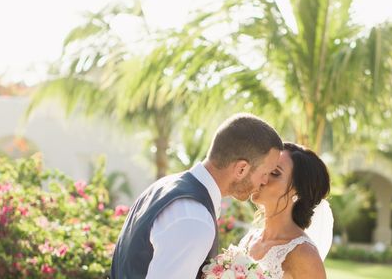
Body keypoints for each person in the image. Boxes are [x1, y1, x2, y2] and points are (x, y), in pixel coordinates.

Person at [110, 113, 284, 279]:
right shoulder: (194, 218)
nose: (265, 181)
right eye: (265, 173)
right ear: (241, 169)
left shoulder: (163, 187)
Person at [238, 142, 331, 279]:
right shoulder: (249, 239)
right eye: (265, 168)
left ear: (298, 191)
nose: (263, 177)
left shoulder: (304, 253)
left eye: (275, 173)